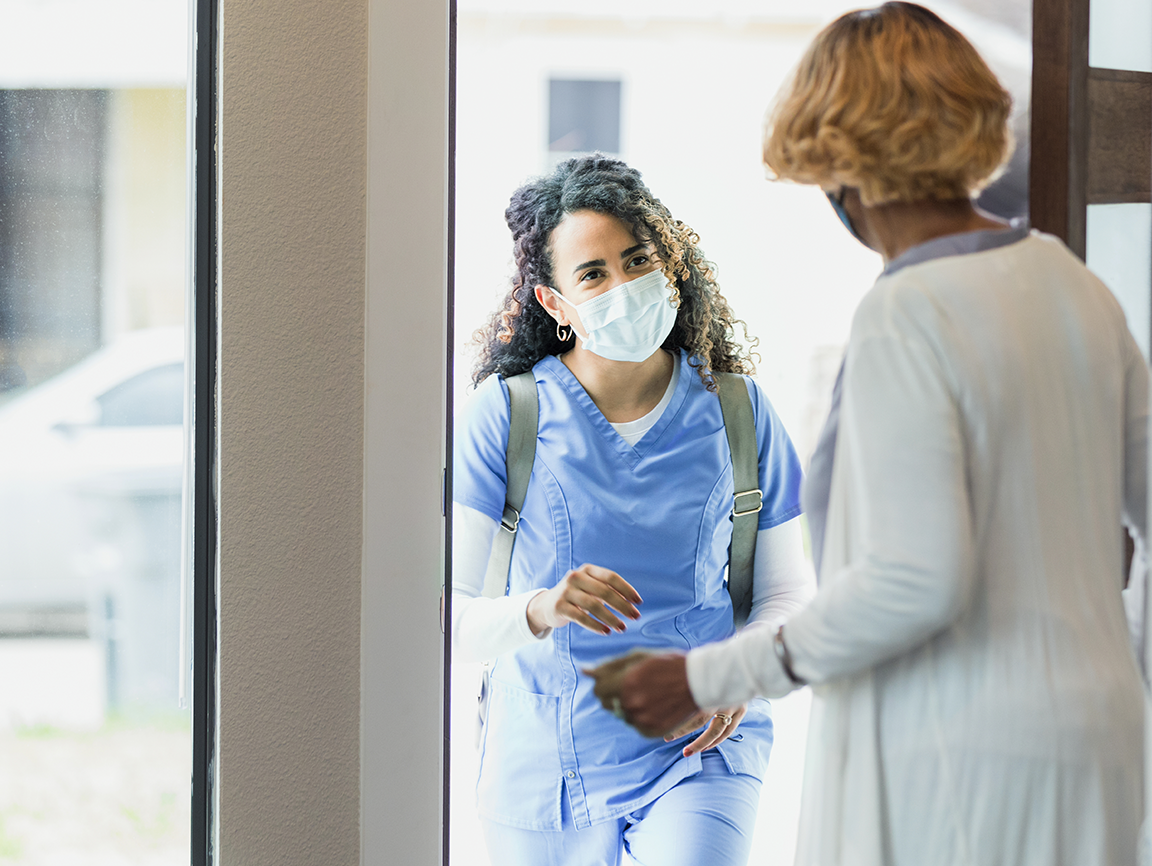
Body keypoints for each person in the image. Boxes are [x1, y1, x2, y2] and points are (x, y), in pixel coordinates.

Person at [588, 5, 1149, 865]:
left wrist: (707, 677)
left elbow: (913, 581)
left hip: (962, 763)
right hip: (1099, 739)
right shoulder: (1075, 286)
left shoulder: (908, 314)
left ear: (841, 168)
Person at [452, 153, 812, 866]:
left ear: (669, 263)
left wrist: (739, 672)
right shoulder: (506, 416)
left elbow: (786, 591)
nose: (624, 285)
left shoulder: (737, 411)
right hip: (543, 759)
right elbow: (448, 619)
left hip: (698, 740)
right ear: (554, 304)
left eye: (637, 259)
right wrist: (541, 608)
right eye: (593, 274)